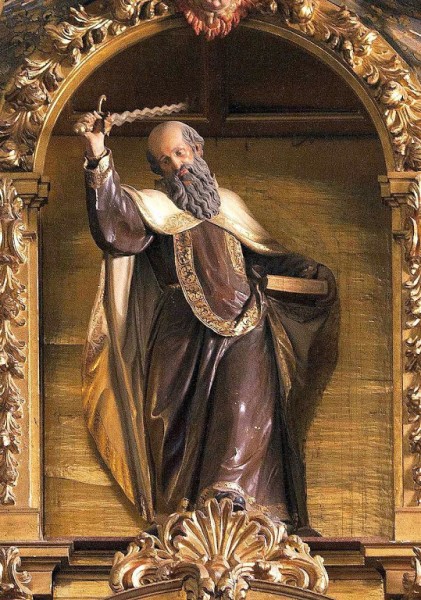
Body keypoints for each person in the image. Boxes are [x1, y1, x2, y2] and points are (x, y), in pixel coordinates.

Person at [80, 113, 337, 533]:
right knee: (173, 426)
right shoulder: (154, 208)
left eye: (180, 153)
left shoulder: (229, 206)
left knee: (243, 408)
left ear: (197, 150)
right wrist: (97, 155)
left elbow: (263, 254)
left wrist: (306, 271)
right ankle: (182, 512)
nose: (177, 165)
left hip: (244, 325)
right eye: (165, 161)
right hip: (179, 335)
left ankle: (234, 498)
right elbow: (113, 226)